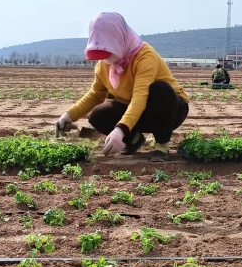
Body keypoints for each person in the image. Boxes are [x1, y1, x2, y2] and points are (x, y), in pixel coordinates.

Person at [56, 12, 190, 162]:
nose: (104, 57)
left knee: (160, 89)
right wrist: (68, 115)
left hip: (169, 110)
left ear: (119, 40)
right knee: (98, 115)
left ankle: (162, 145)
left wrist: (120, 130)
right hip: (138, 112)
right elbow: (95, 94)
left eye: (107, 49)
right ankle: (134, 140)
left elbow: (140, 97)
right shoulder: (103, 65)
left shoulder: (145, 56)